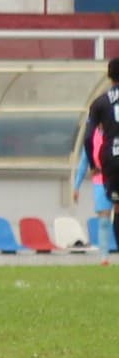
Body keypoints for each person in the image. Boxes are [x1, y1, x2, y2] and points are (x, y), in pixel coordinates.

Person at [78, 56, 119, 264]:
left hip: (111, 159)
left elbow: (87, 137)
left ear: (109, 75)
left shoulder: (100, 102)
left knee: (116, 207)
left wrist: (94, 165)